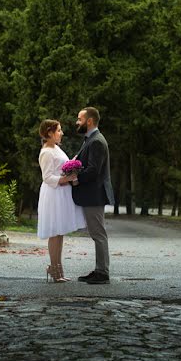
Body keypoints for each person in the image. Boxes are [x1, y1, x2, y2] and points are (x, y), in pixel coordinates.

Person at [37, 119, 86, 282]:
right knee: (54, 233)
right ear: (50, 133)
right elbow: (47, 177)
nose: (62, 133)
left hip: (61, 193)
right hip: (53, 194)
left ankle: (57, 269)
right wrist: (67, 178)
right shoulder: (46, 152)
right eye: (59, 130)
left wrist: (72, 164)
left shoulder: (56, 148)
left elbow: (60, 167)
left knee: (60, 233)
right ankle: (54, 269)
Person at [71, 107, 114, 284]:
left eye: (79, 119)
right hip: (92, 194)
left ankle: (102, 273)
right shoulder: (91, 139)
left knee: (98, 233)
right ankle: (99, 269)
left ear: (89, 121)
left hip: (94, 194)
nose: (77, 122)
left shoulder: (96, 141)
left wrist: (76, 179)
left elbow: (93, 171)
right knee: (97, 233)